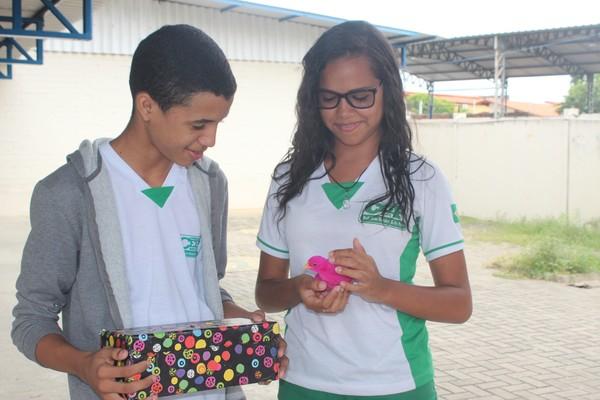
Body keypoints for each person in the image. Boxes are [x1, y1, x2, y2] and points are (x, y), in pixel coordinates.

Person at [12, 24, 286, 400]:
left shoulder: (209, 184)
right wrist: (85, 365)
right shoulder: (68, 193)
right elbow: (31, 320)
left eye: (218, 123)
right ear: (147, 107)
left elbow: (205, 288)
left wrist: (241, 324)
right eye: (199, 124)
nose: (211, 139)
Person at [255, 21, 471, 400]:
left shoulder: (421, 179)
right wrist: (299, 288)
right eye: (329, 97)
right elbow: (266, 293)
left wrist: (380, 287)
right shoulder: (288, 179)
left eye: (360, 96)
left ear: (388, 91)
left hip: (396, 384)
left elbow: (458, 303)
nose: (343, 112)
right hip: (305, 381)